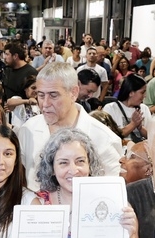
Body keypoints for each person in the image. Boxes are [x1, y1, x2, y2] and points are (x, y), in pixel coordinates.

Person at [17, 63, 123, 192]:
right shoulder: (28, 130)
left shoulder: (104, 139)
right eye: (41, 95)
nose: (45, 104)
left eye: (53, 95)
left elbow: (110, 193)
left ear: (74, 93)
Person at [103, 74, 151, 143]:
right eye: (142, 92)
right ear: (131, 93)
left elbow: (152, 136)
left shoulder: (144, 108)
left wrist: (140, 128)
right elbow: (110, 137)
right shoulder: (110, 108)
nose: (145, 96)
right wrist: (133, 124)